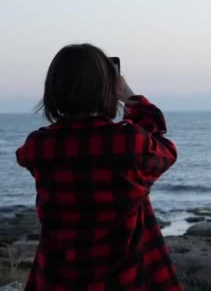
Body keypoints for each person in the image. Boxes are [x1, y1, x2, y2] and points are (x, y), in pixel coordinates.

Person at [15, 44, 182, 290]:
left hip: (58, 278)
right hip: (124, 278)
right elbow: (165, 150)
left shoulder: (39, 146)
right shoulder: (129, 142)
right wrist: (129, 96)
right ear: (106, 87)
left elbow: (27, 155)